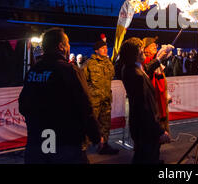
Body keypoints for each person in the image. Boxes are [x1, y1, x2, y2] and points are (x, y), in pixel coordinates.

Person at [18, 28, 101, 163]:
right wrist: (95, 135)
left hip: (38, 140)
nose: (69, 47)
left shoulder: (34, 70)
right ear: (61, 46)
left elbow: (23, 105)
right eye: (67, 43)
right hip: (65, 142)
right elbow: (85, 105)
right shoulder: (69, 70)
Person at [117, 38, 172, 164]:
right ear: (136, 54)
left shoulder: (129, 68)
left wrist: (158, 59)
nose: (143, 53)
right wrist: (159, 131)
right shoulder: (137, 76)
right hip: (146, 127)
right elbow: (146, 108)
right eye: (141, 51)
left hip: (139, 125)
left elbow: (146, 68)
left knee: (143, 155)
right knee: (147, 156)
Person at [82, 40, 118, 155]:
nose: (105, 50)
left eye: (106, 48)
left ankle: (103, 145)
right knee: (90, 123)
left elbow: (111, 76)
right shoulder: (89, 64)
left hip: (106, 99)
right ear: (96, 50)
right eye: (102, 48)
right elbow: (82, 81)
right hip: (94, 100)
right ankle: (82, 148)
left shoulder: (108, 62)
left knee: (105, 123)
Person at [142, 37, 170, 133]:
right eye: (152, 45)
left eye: (155, 45)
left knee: (162, 113)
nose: (155, 46)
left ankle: (162, 132)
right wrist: (160, 56)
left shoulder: (156, 58)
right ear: (145, 48)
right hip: (152, 95)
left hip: (160, 93)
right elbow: (150, 66)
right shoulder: (145, 60)